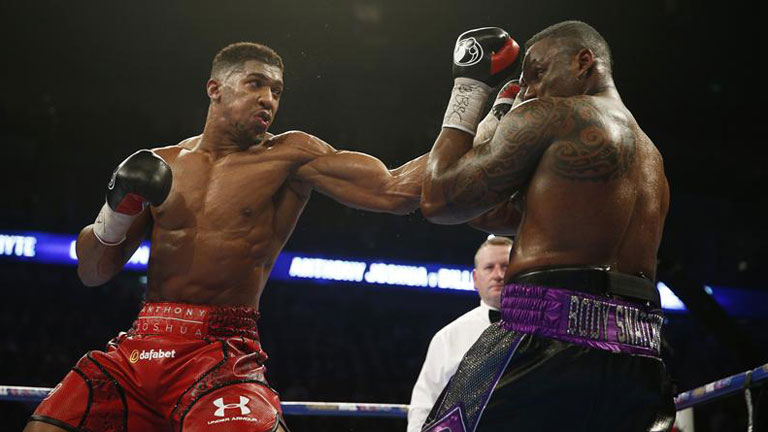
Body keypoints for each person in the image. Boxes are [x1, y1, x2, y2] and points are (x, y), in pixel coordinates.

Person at [24, 42, 427, 432]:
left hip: (221, 351)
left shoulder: (290, 156)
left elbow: (393, 191)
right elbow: (92, 272)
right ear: (215, 89)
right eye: (255, 84)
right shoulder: (161, 165)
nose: (268, 99)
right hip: (140, 346)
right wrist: (116, 211)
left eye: (277, 91)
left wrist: (466, 114)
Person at [420, 22, 675, 431]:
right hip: (641, 350)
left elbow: (438, 199)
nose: (531, 90)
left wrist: (470, 88)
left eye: (537, 72)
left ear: (583, 62)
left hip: (547, 331)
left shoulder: (554, 116)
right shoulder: (652, 159)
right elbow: (490, 215)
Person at [408, 236, 512, 432]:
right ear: (475, 279)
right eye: (489, 267)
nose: (498, 275)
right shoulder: (448, 337)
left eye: (505, 267)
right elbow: (425, 403)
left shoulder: (542, 330)